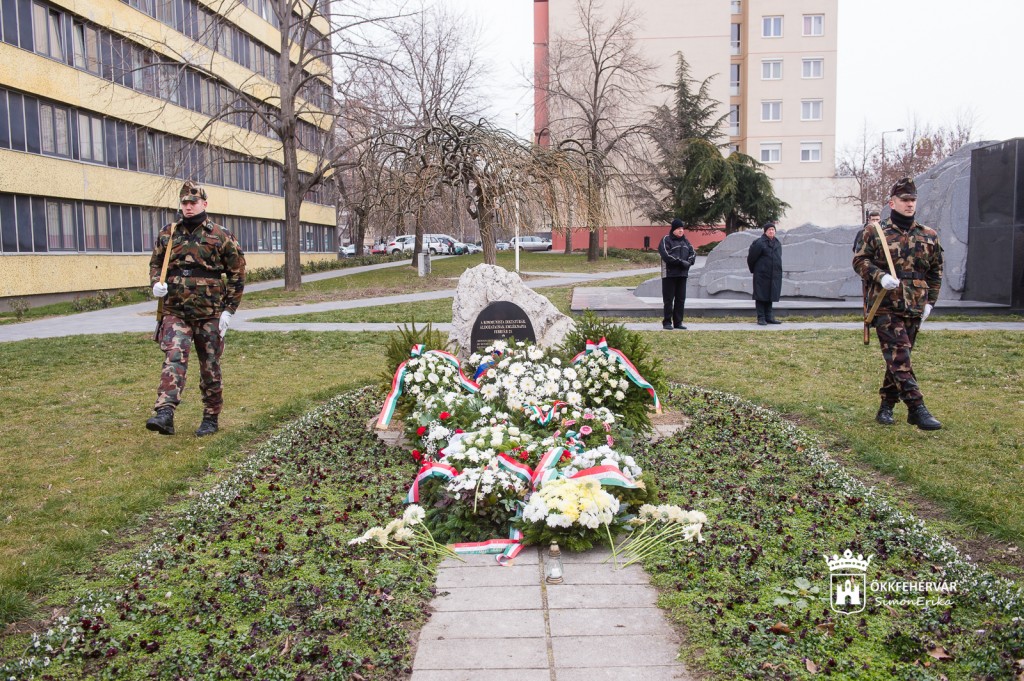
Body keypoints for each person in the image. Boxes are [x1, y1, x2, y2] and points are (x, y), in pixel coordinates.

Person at [146, 181, 246, 437]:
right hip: (175, 310)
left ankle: (211, 417)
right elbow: (156, 263)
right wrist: (156, 283)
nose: (189, 207)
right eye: (185, 203)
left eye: (193, 202)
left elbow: (237, 273)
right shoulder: (169, 233)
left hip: (209, 313)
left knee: (209, 365)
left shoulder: (220, 235)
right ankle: (165, 412)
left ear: (204, 204)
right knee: (174, 358)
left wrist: (229, 310)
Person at [853, 177, 944, 430]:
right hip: (885, 305)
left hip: (915, 305)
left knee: (898, 358)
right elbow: (860, 261)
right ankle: (917, 408)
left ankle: (886, 405)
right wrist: (879, 276)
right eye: (904, 200)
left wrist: (930, 303)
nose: (909, 204)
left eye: (913, 199)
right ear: (892, 203)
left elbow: (935, 271)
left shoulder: (928, 235)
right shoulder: (875, 232)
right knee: (899, 355)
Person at [657, 218, 696, 330]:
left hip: (682, 274)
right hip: (669, 274)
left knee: (680, 299)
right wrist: (680, 262)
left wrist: (689, 262)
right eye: (678, 228)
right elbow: (666, 255)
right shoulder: (666, 239)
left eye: (682, 228)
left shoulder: (686, 241)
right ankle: (667, 322)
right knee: (668, 300)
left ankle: (678, 322)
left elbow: (693, 253)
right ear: (673, 229)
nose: (681, 230)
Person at [747, 221, 783, 325]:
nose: (771, 231)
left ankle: (769, 316)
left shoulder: (777, 243)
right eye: (769, 230)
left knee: (770, 295)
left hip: (774, 274)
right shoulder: (759, 243)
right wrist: (755, 270)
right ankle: (761, 317)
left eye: (773, 229)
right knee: (761, 296)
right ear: (765, 231)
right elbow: (751, 258)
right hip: (762, 275)